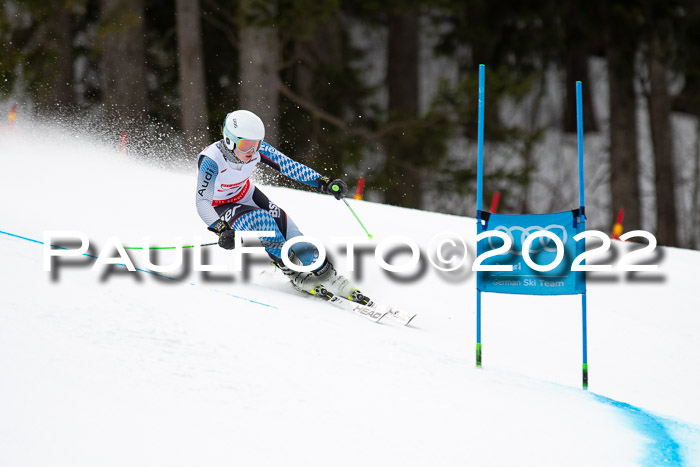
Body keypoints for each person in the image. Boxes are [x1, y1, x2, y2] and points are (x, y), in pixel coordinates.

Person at [195, 109, 372, 305]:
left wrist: (324, 182)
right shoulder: (211, 161)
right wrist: (221, 229)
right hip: (221, 206)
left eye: (257, 144)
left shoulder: (255, 150)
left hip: (247, 195)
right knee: (264, 224)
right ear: (229, 140)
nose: (252, 152)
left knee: (291, 233)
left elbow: (289, 166)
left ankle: (328, 274)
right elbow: (202, 202)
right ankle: (294, 271)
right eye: (246, 145)